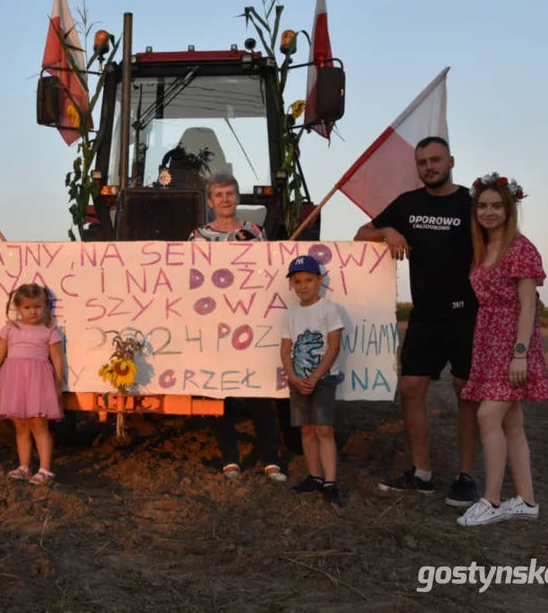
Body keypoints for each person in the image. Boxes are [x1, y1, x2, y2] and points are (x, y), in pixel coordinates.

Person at [355, 137, 481, 508]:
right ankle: (421, 473)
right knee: (410, 388)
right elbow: (361, 234)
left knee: (466, 395)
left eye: (436, 160)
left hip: (467, 314)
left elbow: (501, 244)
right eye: (423, 162)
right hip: (425, 314)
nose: (430, 167)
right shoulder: (408, 205)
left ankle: (466, 477)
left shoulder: (471, 205)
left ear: (451, 161)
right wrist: (387, 231)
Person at [456, 173, 548, 526]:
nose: (489, 212)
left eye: (497, 206)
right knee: (511, 421)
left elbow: (528, 305)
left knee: (487, 416)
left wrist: (521, 353)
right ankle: (526, 501)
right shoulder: (482, 247)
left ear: (510, 209)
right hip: (488, 338)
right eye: (483, 206)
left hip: (513, 341)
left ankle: (492, 501)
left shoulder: (520, 248)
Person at [188, 173, 286, 481]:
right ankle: (230, 459)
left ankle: (271, 460)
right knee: (222, 394)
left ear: (238, 198)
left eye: (230, 193)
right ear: (209, 201)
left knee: (259, 392)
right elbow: (190, 278)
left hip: (251, 322)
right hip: (216, 325)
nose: (225, 199)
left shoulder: (255, 232)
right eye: (219, 195)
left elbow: (268, 272)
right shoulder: (198, 237)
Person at [0, 284, 65, 486]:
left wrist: (58, 383)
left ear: (45, 307)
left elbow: (57, 360)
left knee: (39, 424)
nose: (33, 311)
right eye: (27, 307)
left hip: (38, 383)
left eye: (37, 306)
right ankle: (24, 466)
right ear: (18, 308)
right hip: (15, 382)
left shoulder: (49, 330)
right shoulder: (10, 329)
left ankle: (45, 469)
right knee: (21, 426)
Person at [281, 255, 347, 507]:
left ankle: (330, 483)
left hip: (323, 379)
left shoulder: (329, 309)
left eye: (309, 280)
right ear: (292, 285)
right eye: (297, 281)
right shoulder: (291, 313)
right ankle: (314, 477)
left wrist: (315, 377)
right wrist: (294, 378)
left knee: (324, 429)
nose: (303, 285)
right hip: (298, 381)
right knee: (306, 429)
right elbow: (285, 349)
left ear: (319, 280)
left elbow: (333, 347)